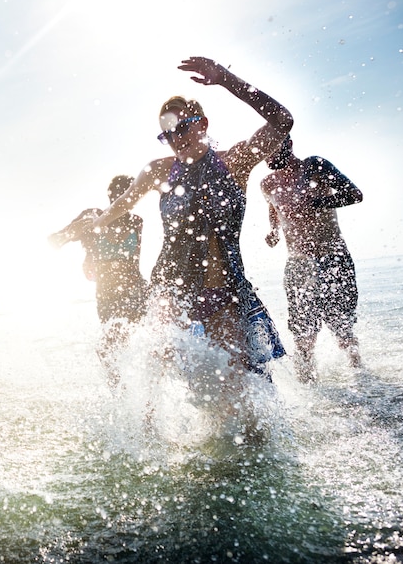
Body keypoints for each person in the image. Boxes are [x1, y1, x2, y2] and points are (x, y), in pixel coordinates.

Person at [90, 56, 294, 378]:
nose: (176, 139)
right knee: (158, 380)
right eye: (167, 135)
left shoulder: (235, 162)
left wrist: (227, 79)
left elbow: (283, 122)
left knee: (238, 388)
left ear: (203, 124)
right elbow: (122, 204)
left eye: (182, 128)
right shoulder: (159, 171)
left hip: (224, 292)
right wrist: (95, 223)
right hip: (172, 293)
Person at [260, 135, 363, 383]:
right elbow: (273, 207)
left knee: (343, 331)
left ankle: (361, 377)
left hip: (333, 257)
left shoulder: (314, 166)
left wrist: (317, 202)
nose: (268, 157)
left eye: (273, 150)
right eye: (265, 153)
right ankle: (309, 391)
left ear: (289, 144)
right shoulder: (266, 184)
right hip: (298, 263)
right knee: (302, 336)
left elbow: (355, 194)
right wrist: (273, 230)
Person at [48, 175, 148, 388]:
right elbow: (54, 241)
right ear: (111, 197)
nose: (124, 199)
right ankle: (120, 393)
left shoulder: (137, 222)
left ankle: (139, 394)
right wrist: (75, 231)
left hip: (135, 289)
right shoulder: (92, 217)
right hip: (107, 294)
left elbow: (133, 262)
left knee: (133, 341)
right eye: (118, 194)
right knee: (109, 348)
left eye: (129, 195)